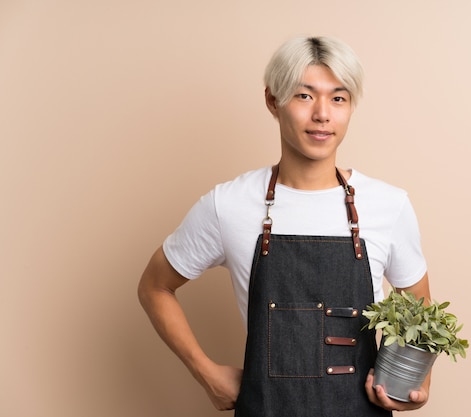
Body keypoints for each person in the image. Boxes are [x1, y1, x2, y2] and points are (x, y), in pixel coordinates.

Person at [138, 35, 432, 415]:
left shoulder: (387, 206)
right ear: (272, 101)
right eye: (304, 96)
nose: (322, 114)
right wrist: (206, 373)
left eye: (338, 98)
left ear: (350, 107)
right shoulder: (228, 204)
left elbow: (421, 311)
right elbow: (155, 287)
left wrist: (415, 383)